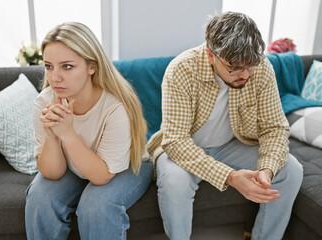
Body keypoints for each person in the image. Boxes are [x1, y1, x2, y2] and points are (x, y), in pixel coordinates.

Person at [146, 12, 303, 240]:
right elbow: (176, 140)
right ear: (211, 55)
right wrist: (229, 177)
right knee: (175, 182)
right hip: (183, 149)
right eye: (235, 68)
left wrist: (267, 171)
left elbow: (275, 128)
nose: (246, 75)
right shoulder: (181, 69)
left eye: (251, 66)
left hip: (230, 146)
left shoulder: (261, 68)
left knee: (291, 170)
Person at [25, 22, 153, 240]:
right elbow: (52, 172)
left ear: (91, 67)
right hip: (77, 166)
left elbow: (101, 175)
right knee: (39, 197)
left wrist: (67, 133)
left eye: (67, 66)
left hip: (126, 167)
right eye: (48, 66)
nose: (55, 77)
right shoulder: (44, 102)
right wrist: (52, 136)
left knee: (96, 205)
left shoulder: (115, 108)